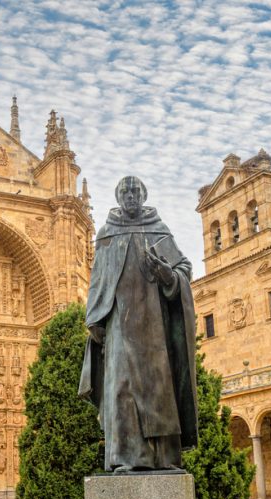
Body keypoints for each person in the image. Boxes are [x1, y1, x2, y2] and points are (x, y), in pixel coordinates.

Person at [78, 176, 198, 471]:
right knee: (122, 388)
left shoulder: (158, 230)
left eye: (135, 191)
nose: (130, 196)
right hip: (119, 321)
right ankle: (126, 458)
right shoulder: (107, 234)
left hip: (153, 322)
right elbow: (98, 280)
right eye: (125, 192)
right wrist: (94, 319)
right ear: (118, 197)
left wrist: (169, 275)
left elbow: (184, 268)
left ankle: (164, 458)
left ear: (143, 195)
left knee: (159, 388)